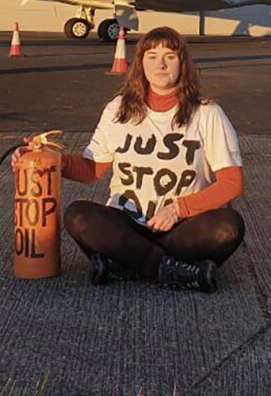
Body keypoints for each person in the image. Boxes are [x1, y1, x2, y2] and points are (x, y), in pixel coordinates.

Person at [28, 26, 245, 292]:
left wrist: (179, 208)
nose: (161, 64)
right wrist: (49, 159)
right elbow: (90, 170)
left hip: (181, 227)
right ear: (140, 63)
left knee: (228, 226)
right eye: (151, 56)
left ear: (183, 64)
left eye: (170, 56)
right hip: (126, 225)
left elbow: (231, 183)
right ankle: (170, 270)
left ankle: (124, 265)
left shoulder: (208, 113)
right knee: (79, 215)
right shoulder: (118, 109)